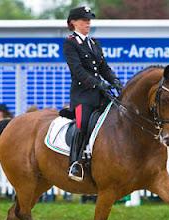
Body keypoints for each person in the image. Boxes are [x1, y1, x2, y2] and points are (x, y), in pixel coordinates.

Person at [63, 6, 123, 181]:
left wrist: (115, 81)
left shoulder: (94, 42)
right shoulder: (70, 43)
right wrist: (98, 83)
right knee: (82, 124)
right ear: (73, 22)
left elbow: (103, 67)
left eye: (89, 20)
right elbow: (78, 70)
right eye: (84, 20)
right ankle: (75, 164)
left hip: (101, 94)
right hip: (83, 96)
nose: (88, 23)